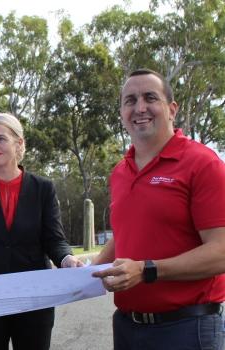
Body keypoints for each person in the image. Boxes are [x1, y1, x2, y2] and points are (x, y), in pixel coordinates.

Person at [91, 68, 225, 350]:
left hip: (188, 329)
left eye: (150, 97)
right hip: (127, 328)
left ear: (171, 108)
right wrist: (91, 270)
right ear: (121, 112)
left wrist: (147, 270)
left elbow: (221, 252)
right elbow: (127, 233)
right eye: (130, 100)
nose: (140, 107)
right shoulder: (120, 172)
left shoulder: (202, 163)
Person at [0, 112, 82, 350]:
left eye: (1, 139)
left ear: (19, 143)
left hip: (34, 298)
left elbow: (54, 239)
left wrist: (66, 259)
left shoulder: (43, 188)